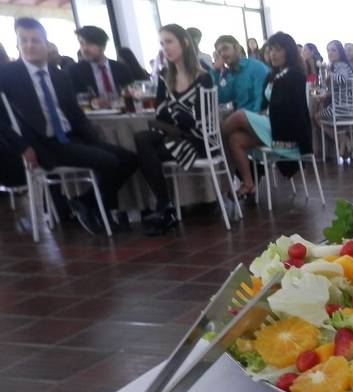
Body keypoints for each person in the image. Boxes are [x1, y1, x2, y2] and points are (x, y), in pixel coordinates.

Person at [0, 17, 138, 234]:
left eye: (35, 40)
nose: (29, 45)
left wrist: (95, 140)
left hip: (70, 137)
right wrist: (22, 147)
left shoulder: (59, 75)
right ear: (17, 44)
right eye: (23, 40)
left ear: (46, 45)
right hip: (43, 145)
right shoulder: (7, 75)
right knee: (110, 162)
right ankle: (97, 209)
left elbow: (75, 114)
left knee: (130, 159)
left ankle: (86, 202)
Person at [131, 24, 213, 235]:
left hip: (198, 140)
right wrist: (178, 114)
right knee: (142, 139)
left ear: (184, 43)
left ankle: (164, 208)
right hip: (174, 135)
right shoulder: (164, 77)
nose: (164, 47)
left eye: (169, 42)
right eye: (162, 43)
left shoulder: (203, 76)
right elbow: (160, 115)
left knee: (148, 152)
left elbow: (201, 121)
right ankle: (164, 204)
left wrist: (175, 112)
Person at [221, 31, 311, 198]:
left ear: (289, 51)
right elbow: (265, 104)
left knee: (240, 115)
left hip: (286, 131)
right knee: (234, 139)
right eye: (270, 50)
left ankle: (211, 144)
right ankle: (249, 184)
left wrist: (262, 115)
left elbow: (290, 109)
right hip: (272, 124)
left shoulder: (295, 75)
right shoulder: (274, 75)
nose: (272, 54)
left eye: (277, 50)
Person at [70, 26, 134, 101]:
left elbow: (132, 95)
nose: (84, 49)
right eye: (81, 43)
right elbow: (76, 100)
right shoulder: (74, 71)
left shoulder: (121, 68)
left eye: (89, 44)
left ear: (103, 46)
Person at [212, 34, 268, 111]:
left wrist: (248, 120)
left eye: (225, 49)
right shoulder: (229, 74)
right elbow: (221, 99)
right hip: (240, 116)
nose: (222, 54)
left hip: (258, 117)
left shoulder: (257, 67)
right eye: (219, 52)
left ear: (237, 48)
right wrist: (216, 71)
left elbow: (261, 100)